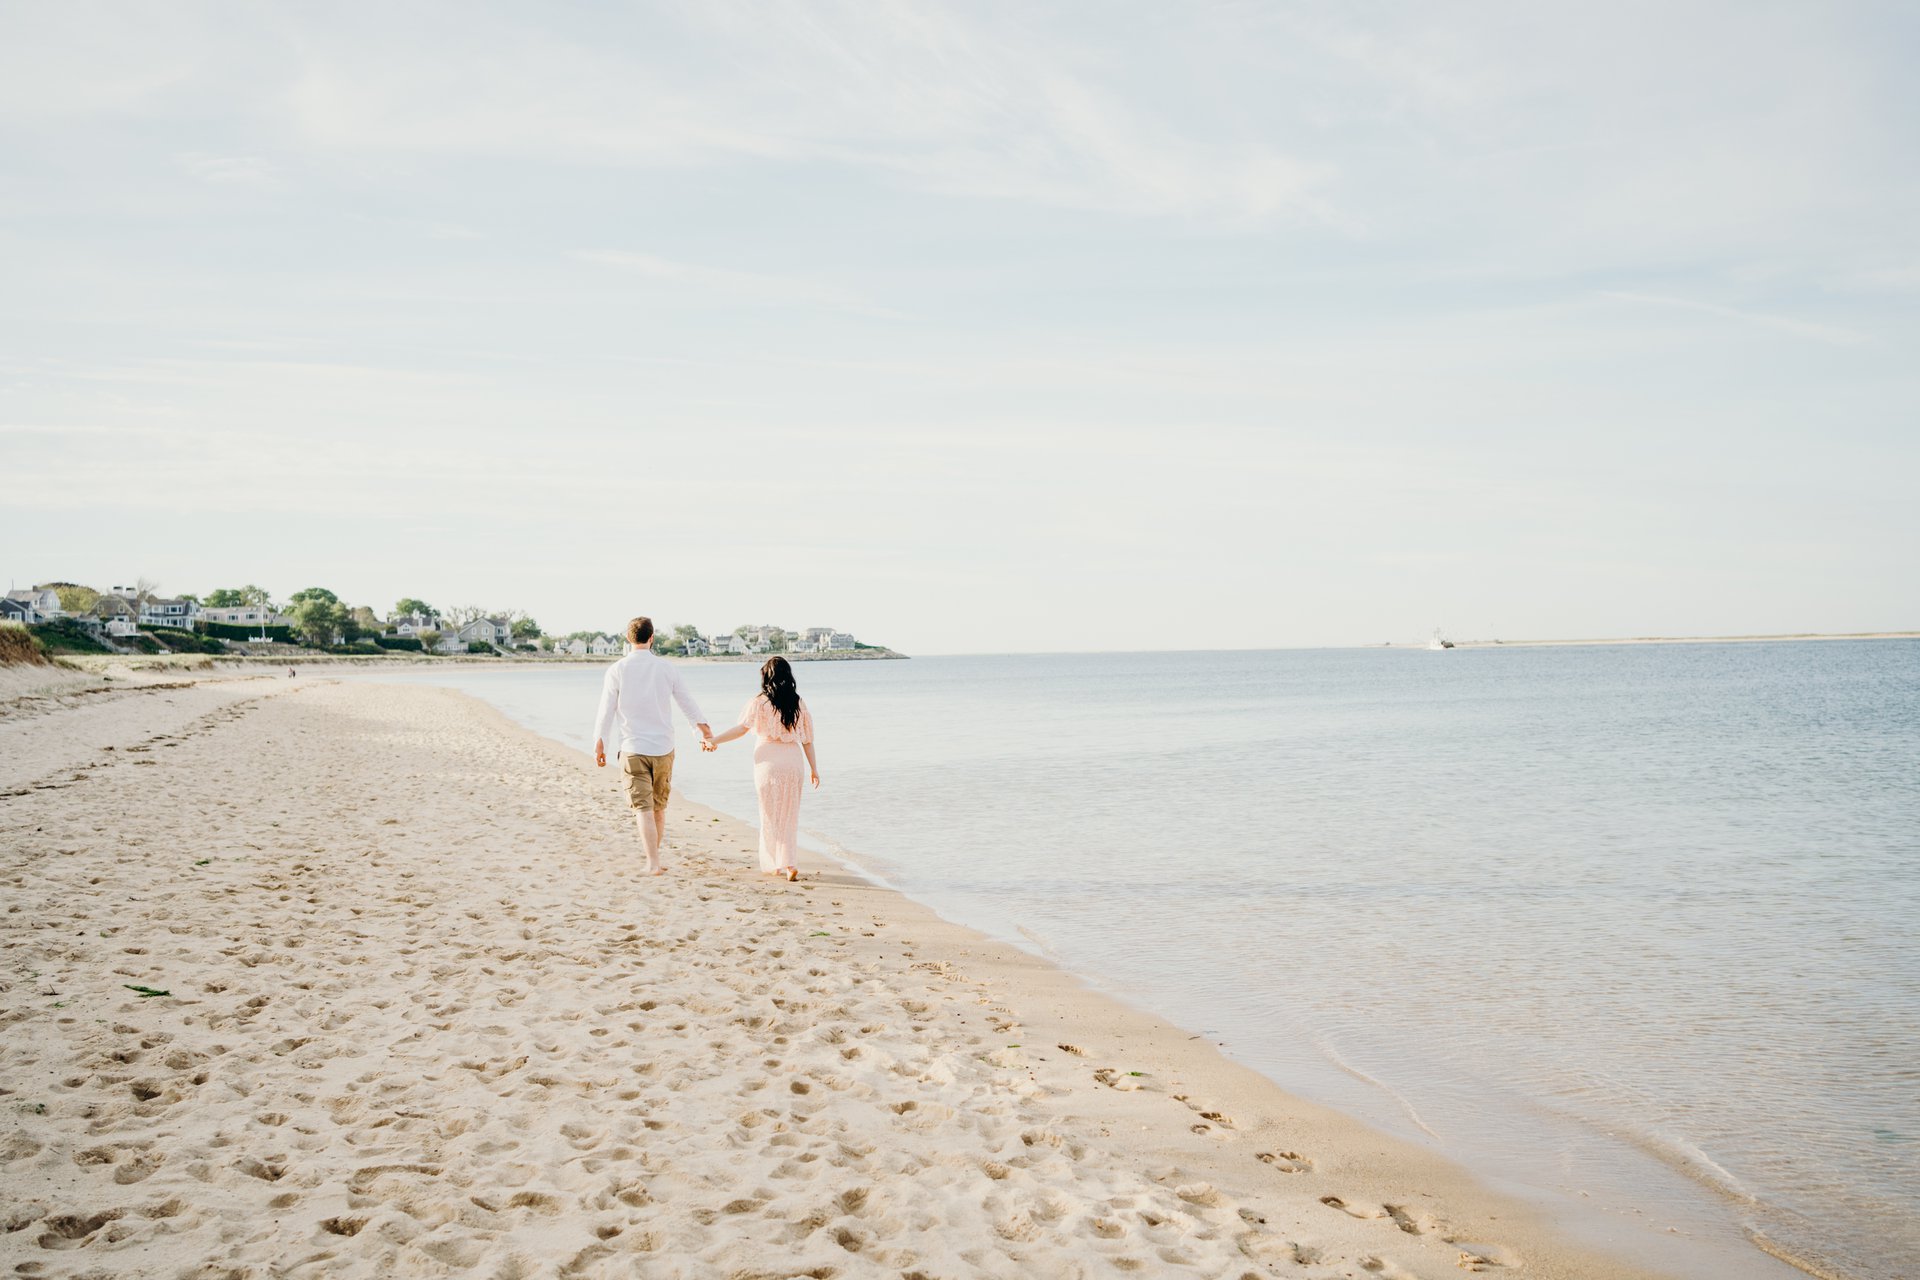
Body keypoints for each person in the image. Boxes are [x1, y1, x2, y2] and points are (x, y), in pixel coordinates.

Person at [592, 616, 712, 875]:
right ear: (652, 637)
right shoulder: (667, 668)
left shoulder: (617, 669)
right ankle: (655, 859)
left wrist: (600, 743)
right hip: (663, 748)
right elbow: (687, 703)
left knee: (643, 809)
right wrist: (702, 729)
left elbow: (606, 710)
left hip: (633, 748)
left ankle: (653, 863)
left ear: (628, 638)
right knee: (658, 808)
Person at [703, 656, 818, 881]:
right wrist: (814, 769)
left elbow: (741, 729)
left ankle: (775, 863)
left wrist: (714, 740)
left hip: (767, 763)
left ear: (766, 677)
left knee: (769, 814)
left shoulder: (759, 702)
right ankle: (790, 863)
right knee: (789, 814)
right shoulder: (798, 703)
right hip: (793, 762)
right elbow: (807, 740)